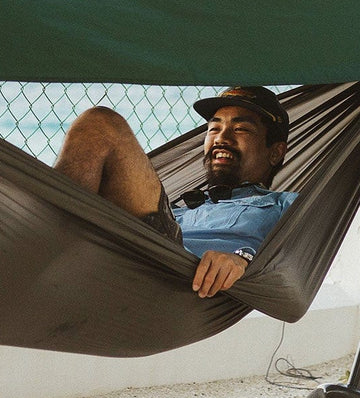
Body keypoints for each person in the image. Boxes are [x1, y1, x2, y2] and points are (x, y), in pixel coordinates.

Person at [54, 86, 296, 299]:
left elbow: (302, 263)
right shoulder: (183, 207)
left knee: (100, 125)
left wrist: (244, 261)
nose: (222, 138)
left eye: (241, 129)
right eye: (214, 129)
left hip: (173, 273)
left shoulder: (286, 205)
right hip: (118, 253)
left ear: (275, 152)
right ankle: (45, 239)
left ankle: (44, 242)